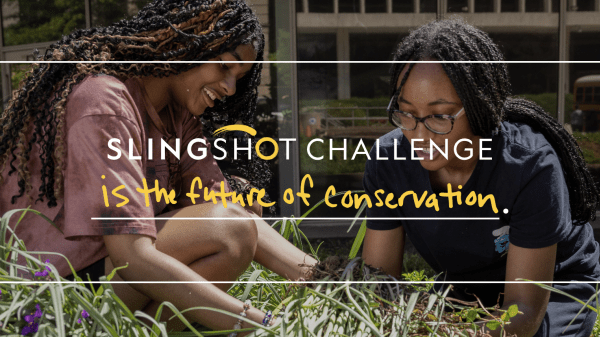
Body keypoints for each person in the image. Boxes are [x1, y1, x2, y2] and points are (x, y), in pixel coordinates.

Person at [0, 0, 316, 334]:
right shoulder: (105, 101)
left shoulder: (177, 117)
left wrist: (327, 280)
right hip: (57, 297)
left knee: (237, 220)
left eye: (239, 77)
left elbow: (234, 211)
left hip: (111, 276)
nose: (230, 87)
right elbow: (131, 256)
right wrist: (269, 326)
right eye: (225, 66)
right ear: (187, 44)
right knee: (229, 232)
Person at [362, 19, 600, 337]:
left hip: (552, 285)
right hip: (465, 283)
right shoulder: (389, 161)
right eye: (405, 112)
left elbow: (523, 313)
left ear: (478, 108)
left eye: (439, 116)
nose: (417, 135)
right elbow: (379, 284)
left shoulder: (528, 166)